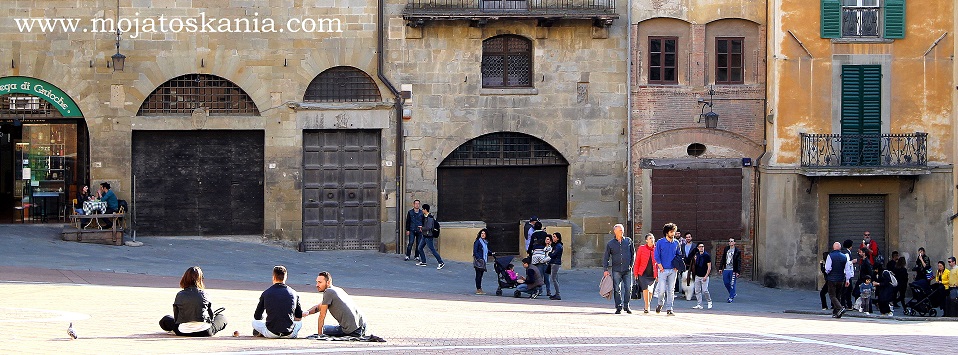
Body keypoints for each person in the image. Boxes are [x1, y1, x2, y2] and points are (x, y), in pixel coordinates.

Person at [159, 266, 228, 337]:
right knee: (222, 317)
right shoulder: (205, 294)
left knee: (166, 319)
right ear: (200, 280)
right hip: (204, 331)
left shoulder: (179, 295)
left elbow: (176, 317)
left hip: (181, 331)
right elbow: (211, 317)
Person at [304, 272, 366, 337]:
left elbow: (322, 316)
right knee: (329, 328)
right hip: (362, 326)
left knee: (324, 329)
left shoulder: (328, 292)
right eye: (317, 282)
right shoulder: (338, 290)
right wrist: (308, 312)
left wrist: (319, 335)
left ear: (328, 282)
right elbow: (320, 306)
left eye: (320, 282)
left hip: (353, 331)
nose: (317, 285)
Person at [252, 265, 304, 338]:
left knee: (254, 322)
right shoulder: (294, 293)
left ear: (273, 277)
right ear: (285, 277)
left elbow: (257, 316)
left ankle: (261, 332)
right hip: (289, 333)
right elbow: (299, 316)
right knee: (300, 323)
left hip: (271, 333)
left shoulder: (266, 293)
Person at [603, 223, 635, 314]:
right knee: (617, 289)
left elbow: (633, 253)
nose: (622, 232)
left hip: (627, 269)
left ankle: (626, 305)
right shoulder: (610, 244)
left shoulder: (628, 241)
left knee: (628, 288)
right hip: (616, 269)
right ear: (615, 231)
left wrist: (631, 264)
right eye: (620, 230)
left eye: (622, 230)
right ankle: (618, 306)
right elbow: (606, 257)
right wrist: (605, 269)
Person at [654, 223, 679, 316]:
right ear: (666, 232)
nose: (673, 234)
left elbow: (678, 255)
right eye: (671, 232)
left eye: (674, 232)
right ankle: (660, 303)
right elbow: (656, 255)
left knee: (671, 290)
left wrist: (677, 266)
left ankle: (669, 308)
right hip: (663, 270)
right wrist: (660, 266)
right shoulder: (660, 242)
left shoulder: (676, 243)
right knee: (661, 290)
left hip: (673, 270)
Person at [824, 242, 853, 318]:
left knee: (832, 295)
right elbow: (847, 270)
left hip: (832, 279)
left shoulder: (830, 256)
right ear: (840, 248)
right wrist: (847, 280)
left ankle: (840, 308)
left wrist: (827, 273)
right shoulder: (844, 257)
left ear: (833, 248)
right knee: (838, 295)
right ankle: (836, 313)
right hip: (841, 279)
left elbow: (828, 268)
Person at [633, 232, 657, 313]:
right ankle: (646, 306)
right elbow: (637, 261)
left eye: (653, 238)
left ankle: (648, 304)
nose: (652, 240)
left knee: (650, 291)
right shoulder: (642, 248)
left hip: (652, 273)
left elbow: (658, 262)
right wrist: (635, 273)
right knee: (645, 289)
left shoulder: (656, 249)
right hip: (643, 273)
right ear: (646, 240)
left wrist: (658, 274)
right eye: (650, 238)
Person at [415, 204, 444, 270]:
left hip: (428, 236)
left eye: (422, 209)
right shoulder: (424, 216)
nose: (422, 210)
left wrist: (421, 228)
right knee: (420, 248)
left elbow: (429, 227)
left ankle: (441, 262)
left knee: (432, 250)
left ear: (425, 210)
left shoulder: (430, 217)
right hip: (425, 235)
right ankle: (423, 261)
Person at [719, 238, 742, 303]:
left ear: (734, 243)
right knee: (726, 282)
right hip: (726, 268)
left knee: (732, 283)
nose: (730, 242)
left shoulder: (737, 251)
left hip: (733, 269)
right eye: (729, 241)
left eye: (731, 241)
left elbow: (739, 261)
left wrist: (738, 271)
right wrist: (721, 267)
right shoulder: (726, 249)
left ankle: (731, 297)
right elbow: (723, 258)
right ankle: (733, 293)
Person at [690, 243, 712, 310]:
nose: (701, 248)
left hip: (704, 275)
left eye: (702, 246)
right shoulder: (697, 255)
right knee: (697, 291)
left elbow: (709, 267)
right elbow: (694, 265)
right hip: (697, 275)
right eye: (700, 247)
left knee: (705, 290)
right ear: (698, 248)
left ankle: (709, 301)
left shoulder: (707, 256)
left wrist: (706, 276)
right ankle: (699, 304)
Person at [473, 229, 493, 295]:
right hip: (479, 261)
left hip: (483, 261)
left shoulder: (485, 242)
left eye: (484, 233)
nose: (483, 235)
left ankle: (479, 288)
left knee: (481, 275)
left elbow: (486, 250)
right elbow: (475, 251)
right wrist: (479, 258)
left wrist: (491, 253)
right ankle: (478, 289)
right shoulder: (478, 242)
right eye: (482, 233)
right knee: (478, 275)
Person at [548, 232, 564, 300]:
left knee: (554, 279)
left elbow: (553, 254)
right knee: (555, 278)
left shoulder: (558, 246)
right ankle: (556, 293)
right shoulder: (557, 245)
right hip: (555, 262)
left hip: (555, 263)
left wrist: (549, 253)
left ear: (558, 238)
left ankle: (557, 294)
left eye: (554, 237)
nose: (553, 238)